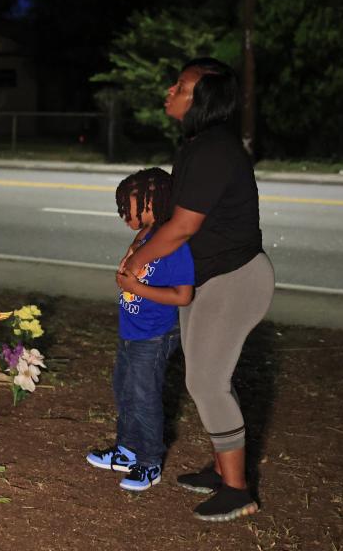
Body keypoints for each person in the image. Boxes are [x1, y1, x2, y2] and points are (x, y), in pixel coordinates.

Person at [121, 58, 275, 521]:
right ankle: (222, 468)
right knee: (206, 379)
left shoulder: (213, 150)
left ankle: (237, 489)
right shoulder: (198, 146)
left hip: (235, 277)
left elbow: (185, 226)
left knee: (206, 381)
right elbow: (173, 218)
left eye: (182, 85)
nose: (171, 89)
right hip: (212, 277)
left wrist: (138, 263)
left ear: (203, 98)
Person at [87, 167, 194, 492]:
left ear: (155, 203)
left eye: (133, 207)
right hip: (131, 330)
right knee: (124, 389)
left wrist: (135, 286)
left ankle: (149, 463)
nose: (125, 214)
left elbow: (183, 295)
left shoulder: (174, 245)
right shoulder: (145, 236)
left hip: (155, 333)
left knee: (144, 396)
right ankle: (127, 450)